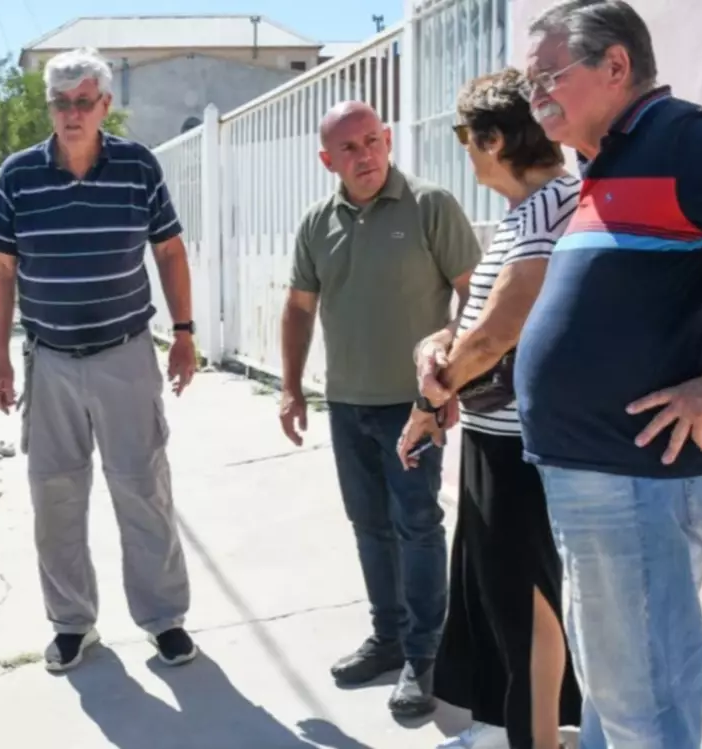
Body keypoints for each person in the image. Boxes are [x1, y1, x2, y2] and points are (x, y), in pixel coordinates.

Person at [515, 2, 702, 747]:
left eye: (547, 77)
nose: (534, 97)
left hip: (633, 478)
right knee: (618, 691)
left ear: (615, 65)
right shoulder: (601, 167)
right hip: (605, 476)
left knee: (644, 706)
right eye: (528, 83)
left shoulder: (684, 139)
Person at [0, 47, 200, 673]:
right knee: (55, 499)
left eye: (84, 101)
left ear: (104, 105)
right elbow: (0, 268)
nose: (71, 113)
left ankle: (164, 620)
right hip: (50, 361)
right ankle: (72, 623)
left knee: (143, 489)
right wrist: (0, 360)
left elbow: (169, 251)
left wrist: (183, 333)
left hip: (125, 355)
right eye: (61, 102)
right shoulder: (18, 176)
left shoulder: (137, 166)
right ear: (49, 107)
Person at [397, 68, 581, 749]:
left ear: (494, 139)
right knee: (495, 594)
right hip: (493, 431)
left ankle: (536, 740)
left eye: (465, 135)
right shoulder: (526, 212)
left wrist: (431, 394)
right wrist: (436, 345)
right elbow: (474, 319)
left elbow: (501, 327)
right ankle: (510, 731)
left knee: (523, 600)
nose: (464, 150)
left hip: (519, 441)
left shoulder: (551, 204)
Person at [279, 100, 481, 717]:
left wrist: (448, 385)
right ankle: (388, 637)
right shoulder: (317, 223)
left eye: (371, 141)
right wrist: (291, 387)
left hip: (412, 407)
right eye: (349, 148)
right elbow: (299, 307)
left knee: (416, 523)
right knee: (368, 524)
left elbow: (475, 300)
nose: (364, 155)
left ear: (388, 139)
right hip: (347, 403)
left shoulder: (430, 206)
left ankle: (425, 653)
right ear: (327, 160)